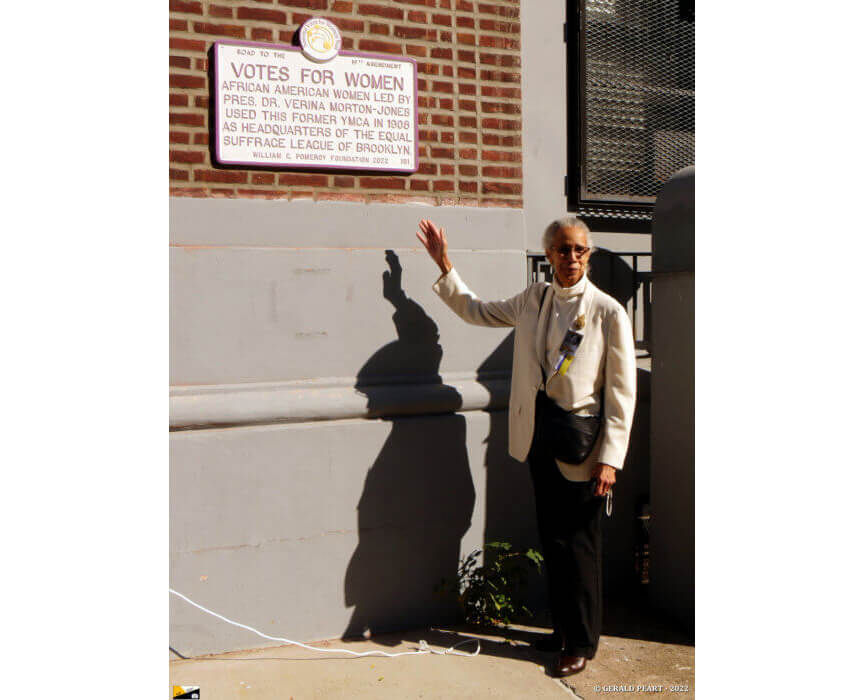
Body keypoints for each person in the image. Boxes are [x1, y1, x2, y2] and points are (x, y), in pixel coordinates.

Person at [416, 216, 636, 678]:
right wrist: (445, 265)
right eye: (561, 249)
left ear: (589, 255)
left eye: (578, 249)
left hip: (582, 448)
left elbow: (621, 394)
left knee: (580, 548)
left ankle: (581, 642)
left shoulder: (608, 312)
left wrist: (610, 461)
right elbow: (476, 311)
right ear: (549, 255)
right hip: (539, 439)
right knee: (554, 544)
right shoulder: (534, 299)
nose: (570, 257)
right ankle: (562, 630)